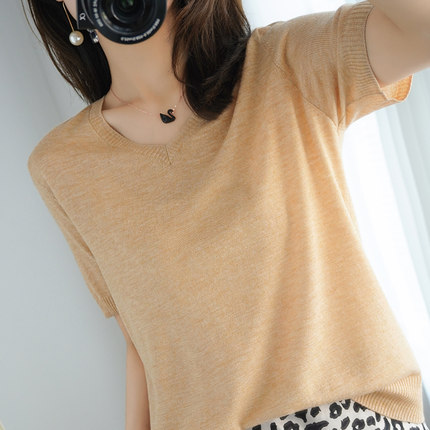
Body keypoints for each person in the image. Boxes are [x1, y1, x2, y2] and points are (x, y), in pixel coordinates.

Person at [23, 0, 430, 429]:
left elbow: (420, 30)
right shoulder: (62, 165)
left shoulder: (285, 63)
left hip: (347, 414)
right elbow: (142, 343)